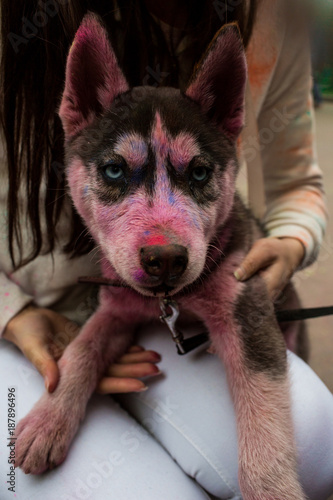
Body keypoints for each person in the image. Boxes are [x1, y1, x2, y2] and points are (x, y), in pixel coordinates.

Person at [0, 1, 333, 499]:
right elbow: (111, 318)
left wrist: (290, 244)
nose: (163, 238)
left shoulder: (275, 15)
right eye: (115, 171)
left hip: (174, 336)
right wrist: (11, 311)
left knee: (315, 441)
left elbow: (296, 186)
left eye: (198, 173)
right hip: (27, 319)